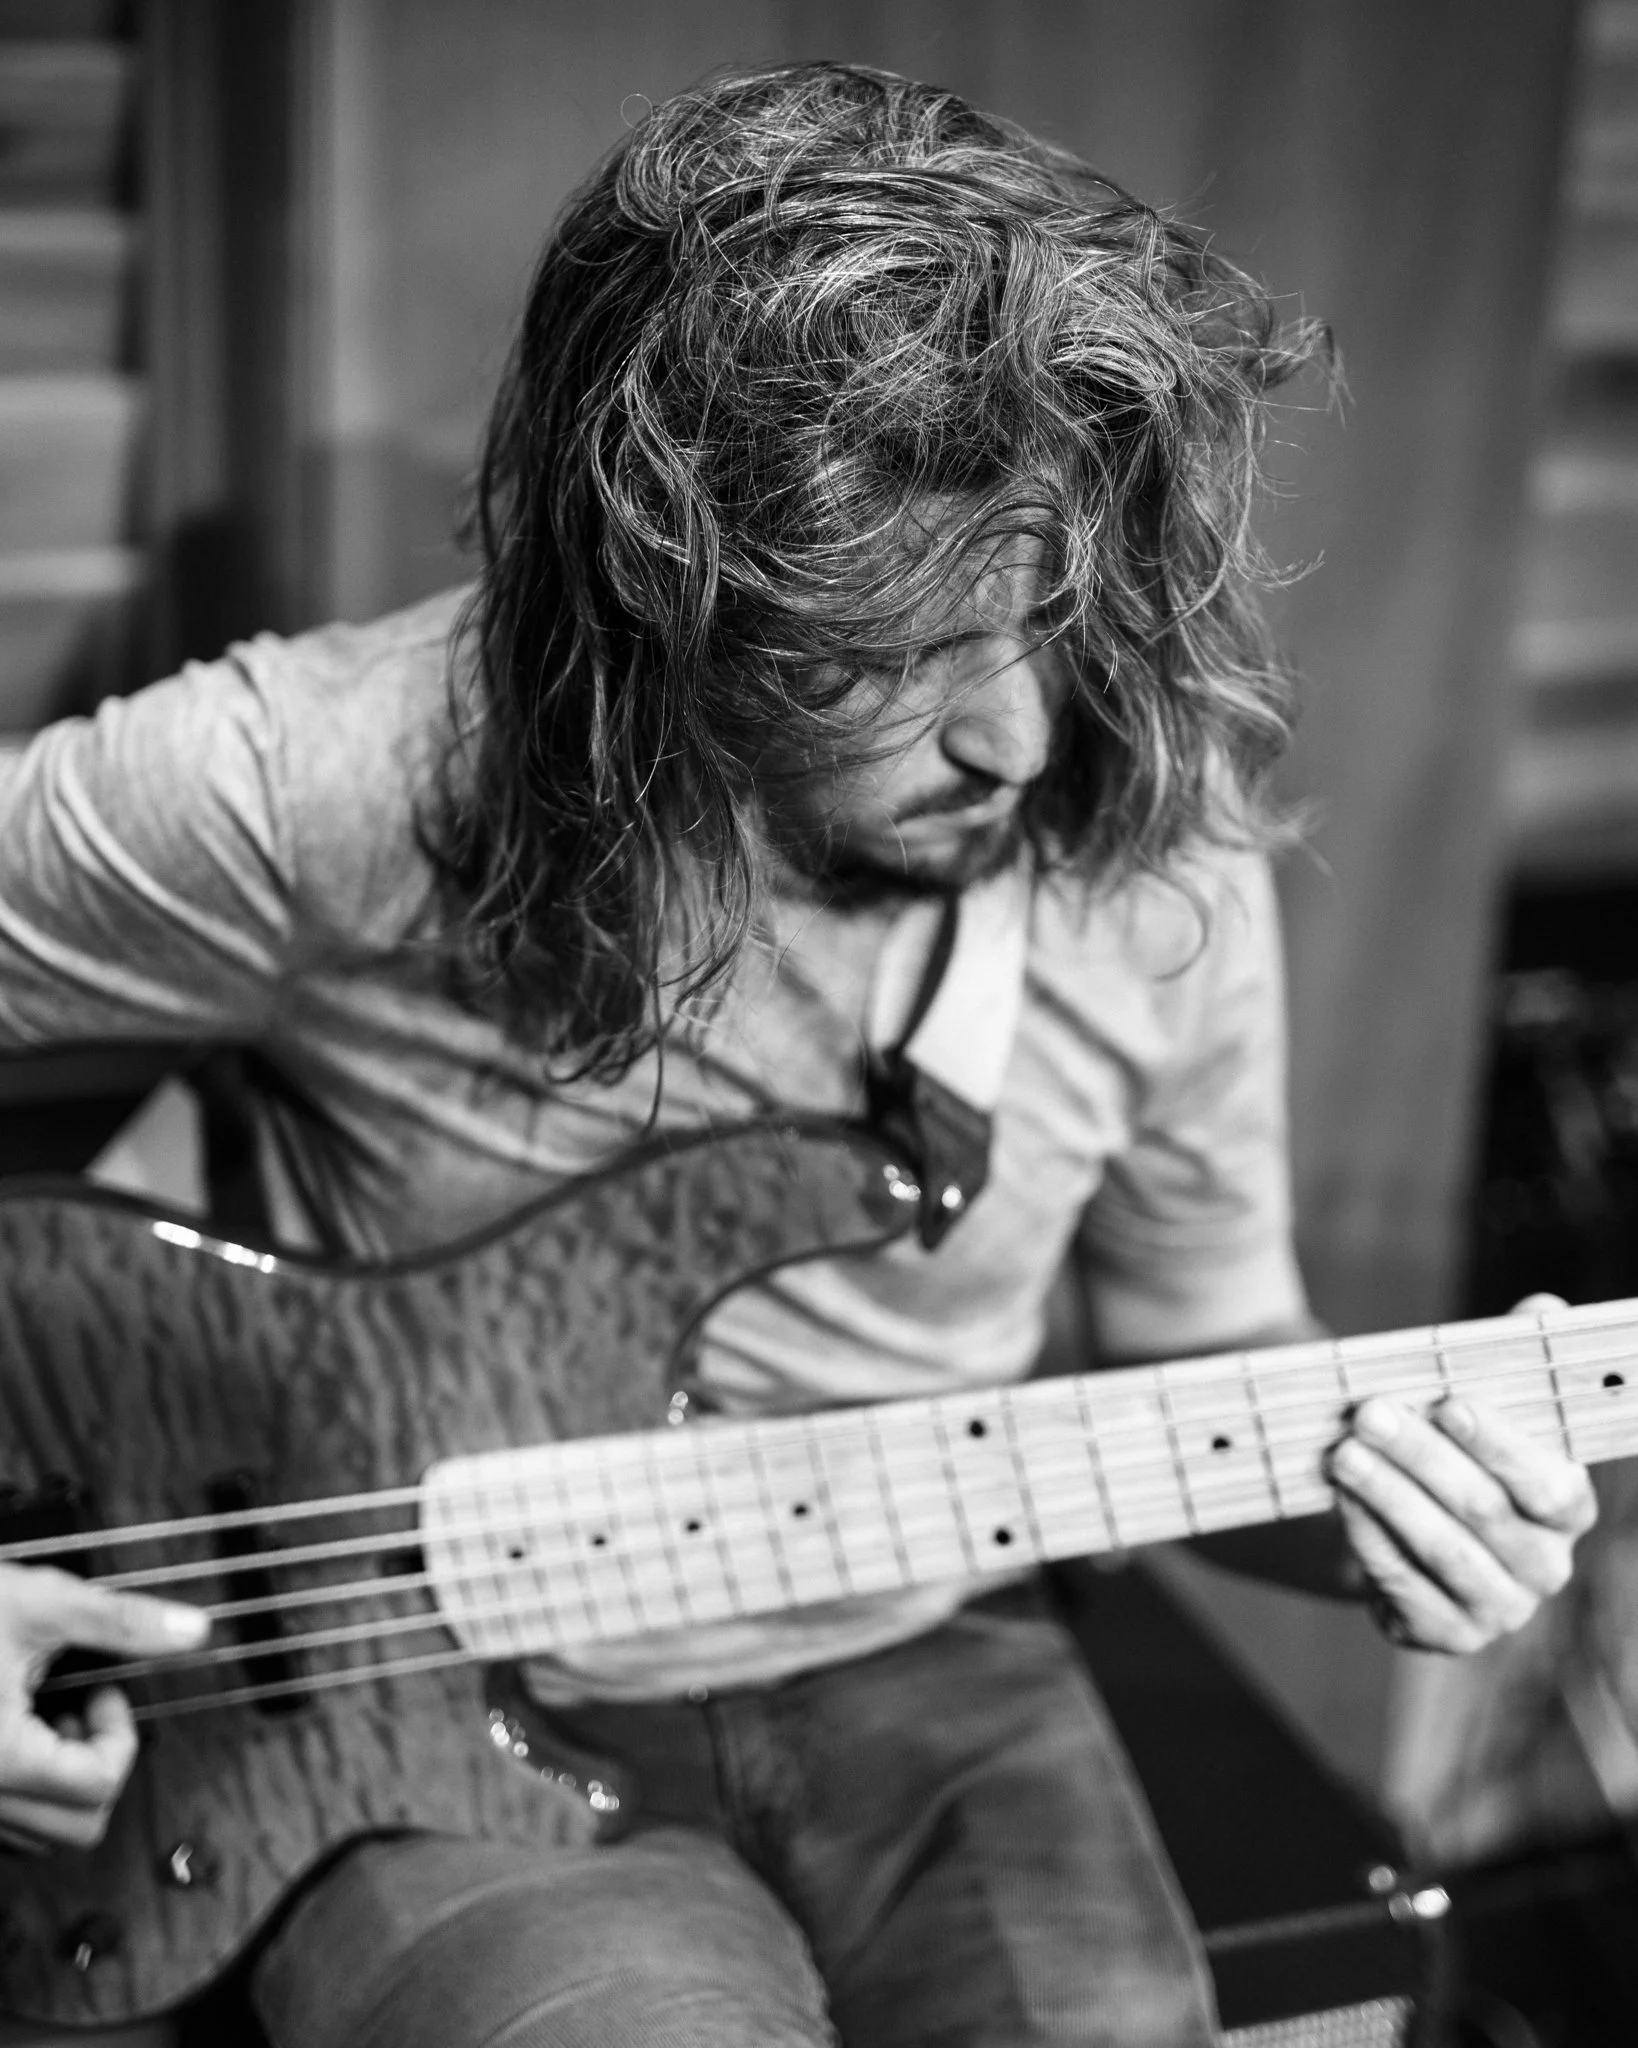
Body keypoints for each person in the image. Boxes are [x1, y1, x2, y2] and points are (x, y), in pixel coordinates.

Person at [0, 61, 1597, 2048]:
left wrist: (1397, 1519)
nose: (1016, 740)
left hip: (925, 1649)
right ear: (665, 591)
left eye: (1050, 610)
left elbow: (1212, 1354)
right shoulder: (316, 781)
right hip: (368, 1698)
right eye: (881, 659)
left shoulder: (1147, 849)